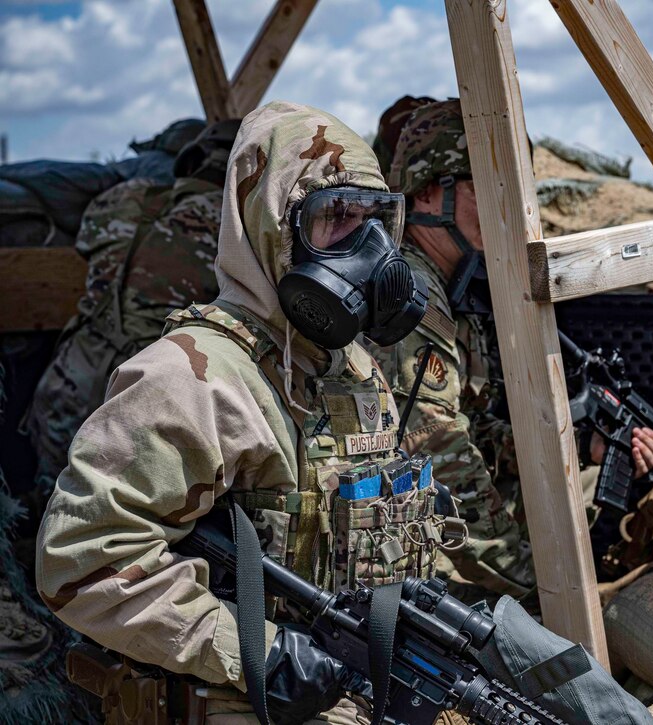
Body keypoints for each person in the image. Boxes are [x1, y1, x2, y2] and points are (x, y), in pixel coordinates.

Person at [36, 101, 454, 724]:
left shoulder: (352, 367)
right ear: (273, 226)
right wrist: (257, 653)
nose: (366, 247)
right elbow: (82, 557)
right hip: (241, 697)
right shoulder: (190, 377)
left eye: (376, 219)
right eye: (337, 217)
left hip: (354, 684)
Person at [374, 98, 653, 598]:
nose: (505, 206)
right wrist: (544, 586)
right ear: (426, 193)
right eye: (486, 187)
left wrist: (581, 446)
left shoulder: (454, 285)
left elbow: (472, 431)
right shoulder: (411, 293)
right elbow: (437, 460)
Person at [23, 119, 241, 499]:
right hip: (143, 395)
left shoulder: (120, 198)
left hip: (69, 380)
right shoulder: (234, 224)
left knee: (54, 505)